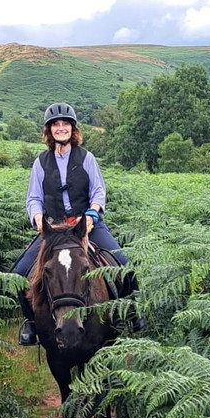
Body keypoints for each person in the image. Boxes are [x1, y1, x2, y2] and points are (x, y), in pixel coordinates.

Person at [13, 102, 142, 346]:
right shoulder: (40, 162)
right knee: (20, 274)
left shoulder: (87, 158)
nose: (60, 128)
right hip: (53, 231)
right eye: (55, 125)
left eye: (65, 124)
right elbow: (33, 198)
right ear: (49, 131)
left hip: (86, 226)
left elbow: (98, 191)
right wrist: (38, 218)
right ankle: (31, 325)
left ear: (73, 129)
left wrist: (92, 215)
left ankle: (133, 314)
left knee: (124, 264)